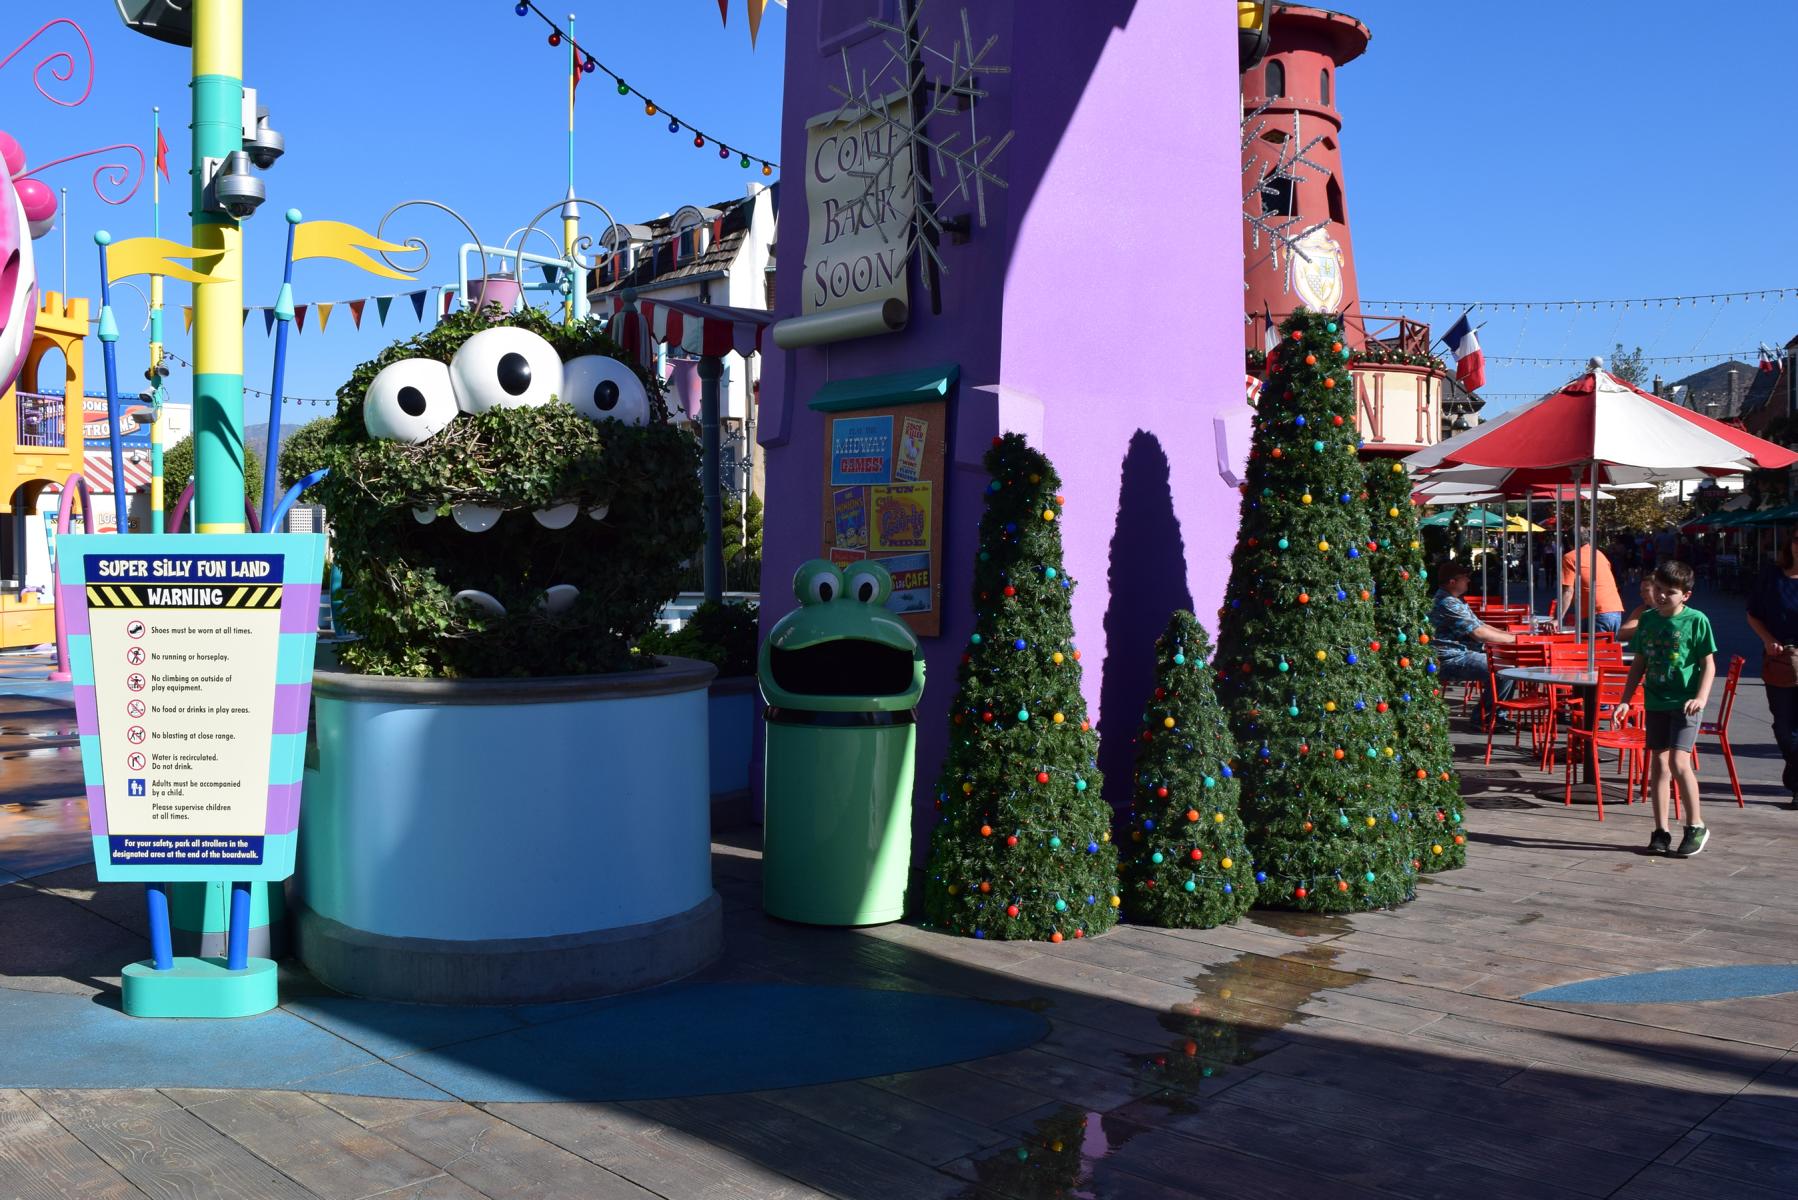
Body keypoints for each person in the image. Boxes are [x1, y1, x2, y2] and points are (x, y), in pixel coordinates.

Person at [1612, 560, 1718, 857]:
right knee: (1659, 764)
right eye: (1658, 589)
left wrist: (1701, 698)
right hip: (1655, 700)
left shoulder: (1696, 620)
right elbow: (1639, 662)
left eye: (1669, 592)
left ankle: (1695, 825)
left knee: (1679, 763)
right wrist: (1625, 699)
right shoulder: (1647, 620)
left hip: (1685, 704)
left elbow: (1708, 664)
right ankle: (1661, 830)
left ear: (1685, 595)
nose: (1661, 596)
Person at [1745, 527, 1798, 809]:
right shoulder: (1772, 576)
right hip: (1780, 658)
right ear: (1791, 544)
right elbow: (1753, 614)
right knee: (1784, 726)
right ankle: (1794, 767)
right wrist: (1767, 639)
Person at [1429, 559, 1516, 725]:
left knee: (1507, 666)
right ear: (1452, 582)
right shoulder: (1446, 602)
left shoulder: (1457, 600)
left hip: (1462, 653)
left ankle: (1495, 715)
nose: (1468, 580)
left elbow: (1481, 625)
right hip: (1450, 657)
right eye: (1464, 577)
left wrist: (1509, 635)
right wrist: (1516, 640)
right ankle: (1486, 717)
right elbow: (1478, 633)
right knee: (1504, 669)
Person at [1561, 533, 1624, 635]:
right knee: (1609, 645)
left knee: (1592, 646)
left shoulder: (1570, 557)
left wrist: (1558, 618)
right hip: (1615, 611)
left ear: (1569, 543)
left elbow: (1568, 591)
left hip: (1595, 612)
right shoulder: (1599, 554)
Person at [1616, 574, 1656, 643]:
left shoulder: (1672, 610)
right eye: (1641, 591)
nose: (1641, 594)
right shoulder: (1643, 610)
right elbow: (1621, 634)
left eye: (1646, 590)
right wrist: (1646, 628)